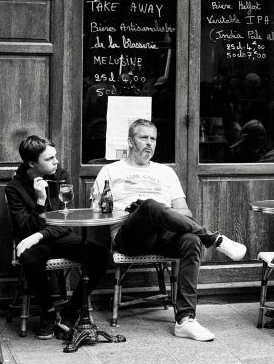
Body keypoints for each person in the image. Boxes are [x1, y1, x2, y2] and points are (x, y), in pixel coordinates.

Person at [92, 119, 247, 342]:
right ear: (130, 141)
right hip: (130, 236)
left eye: (153, 138)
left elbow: (185, 212)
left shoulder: (165, 172)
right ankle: (214, 239)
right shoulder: (110, 170)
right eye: (143, 137)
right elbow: (96, 211)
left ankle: (185, 320)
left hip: (164, 235)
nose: (149, 143)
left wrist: (162, 214)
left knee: (191, 240)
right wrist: (138, 211)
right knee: (149, 206)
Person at [5, 135, 110, 339]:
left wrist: (39, 235)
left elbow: (65, 221)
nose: (56, 162)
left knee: (101, 255)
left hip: (59, 236)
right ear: (32, 163)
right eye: (49, 159)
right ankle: (48, 312)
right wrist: (41, 201)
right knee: (30, 259)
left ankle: (72, 310)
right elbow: (25, 228)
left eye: (55, 156)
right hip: (33, 242)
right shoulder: (14, 188)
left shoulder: (62, 176)